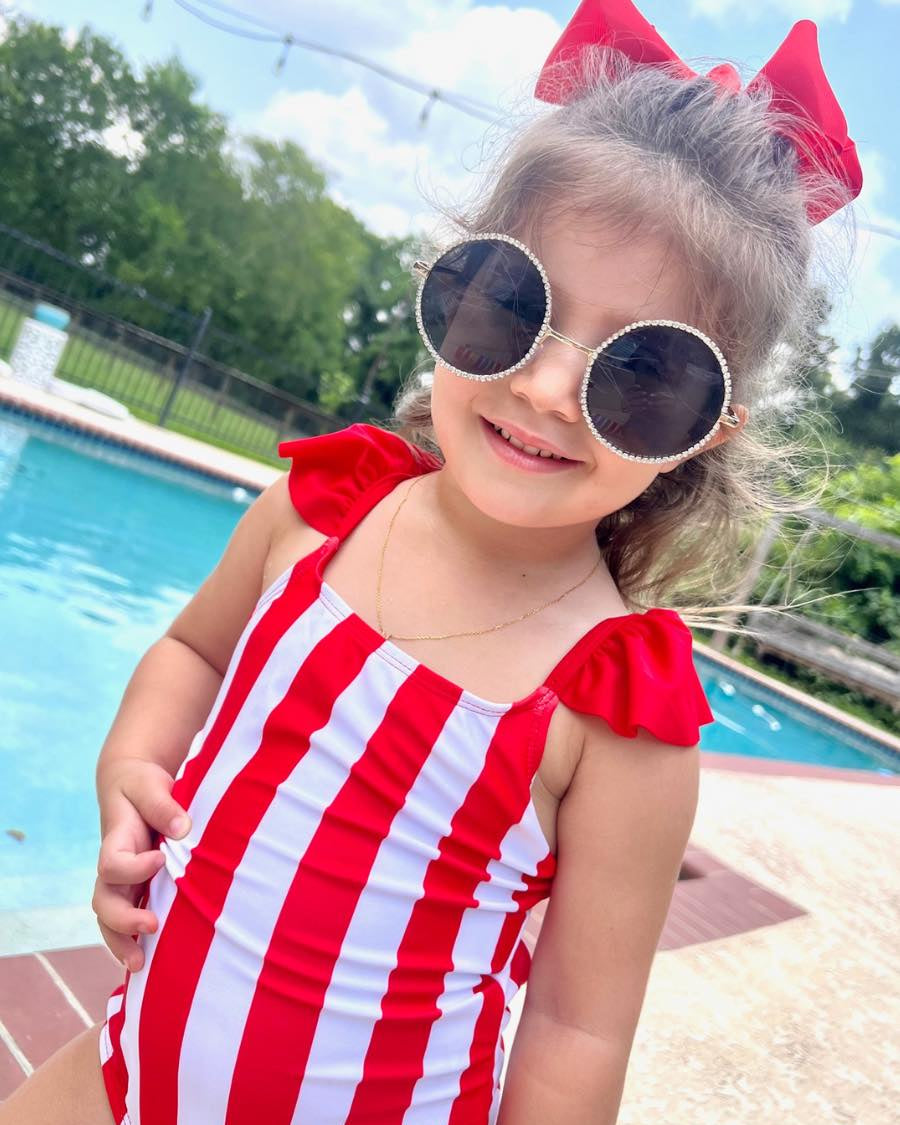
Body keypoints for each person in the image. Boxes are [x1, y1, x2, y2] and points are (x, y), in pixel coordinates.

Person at [1, 1, 860, 1122]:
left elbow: (577, 1029)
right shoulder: (317, 516)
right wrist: (130, 771)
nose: (546, 389)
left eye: (642, 373)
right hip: (124, 1074)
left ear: (708, 431)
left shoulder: (611, 716)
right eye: (516, 305)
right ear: (450, 282)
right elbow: (192, 653)